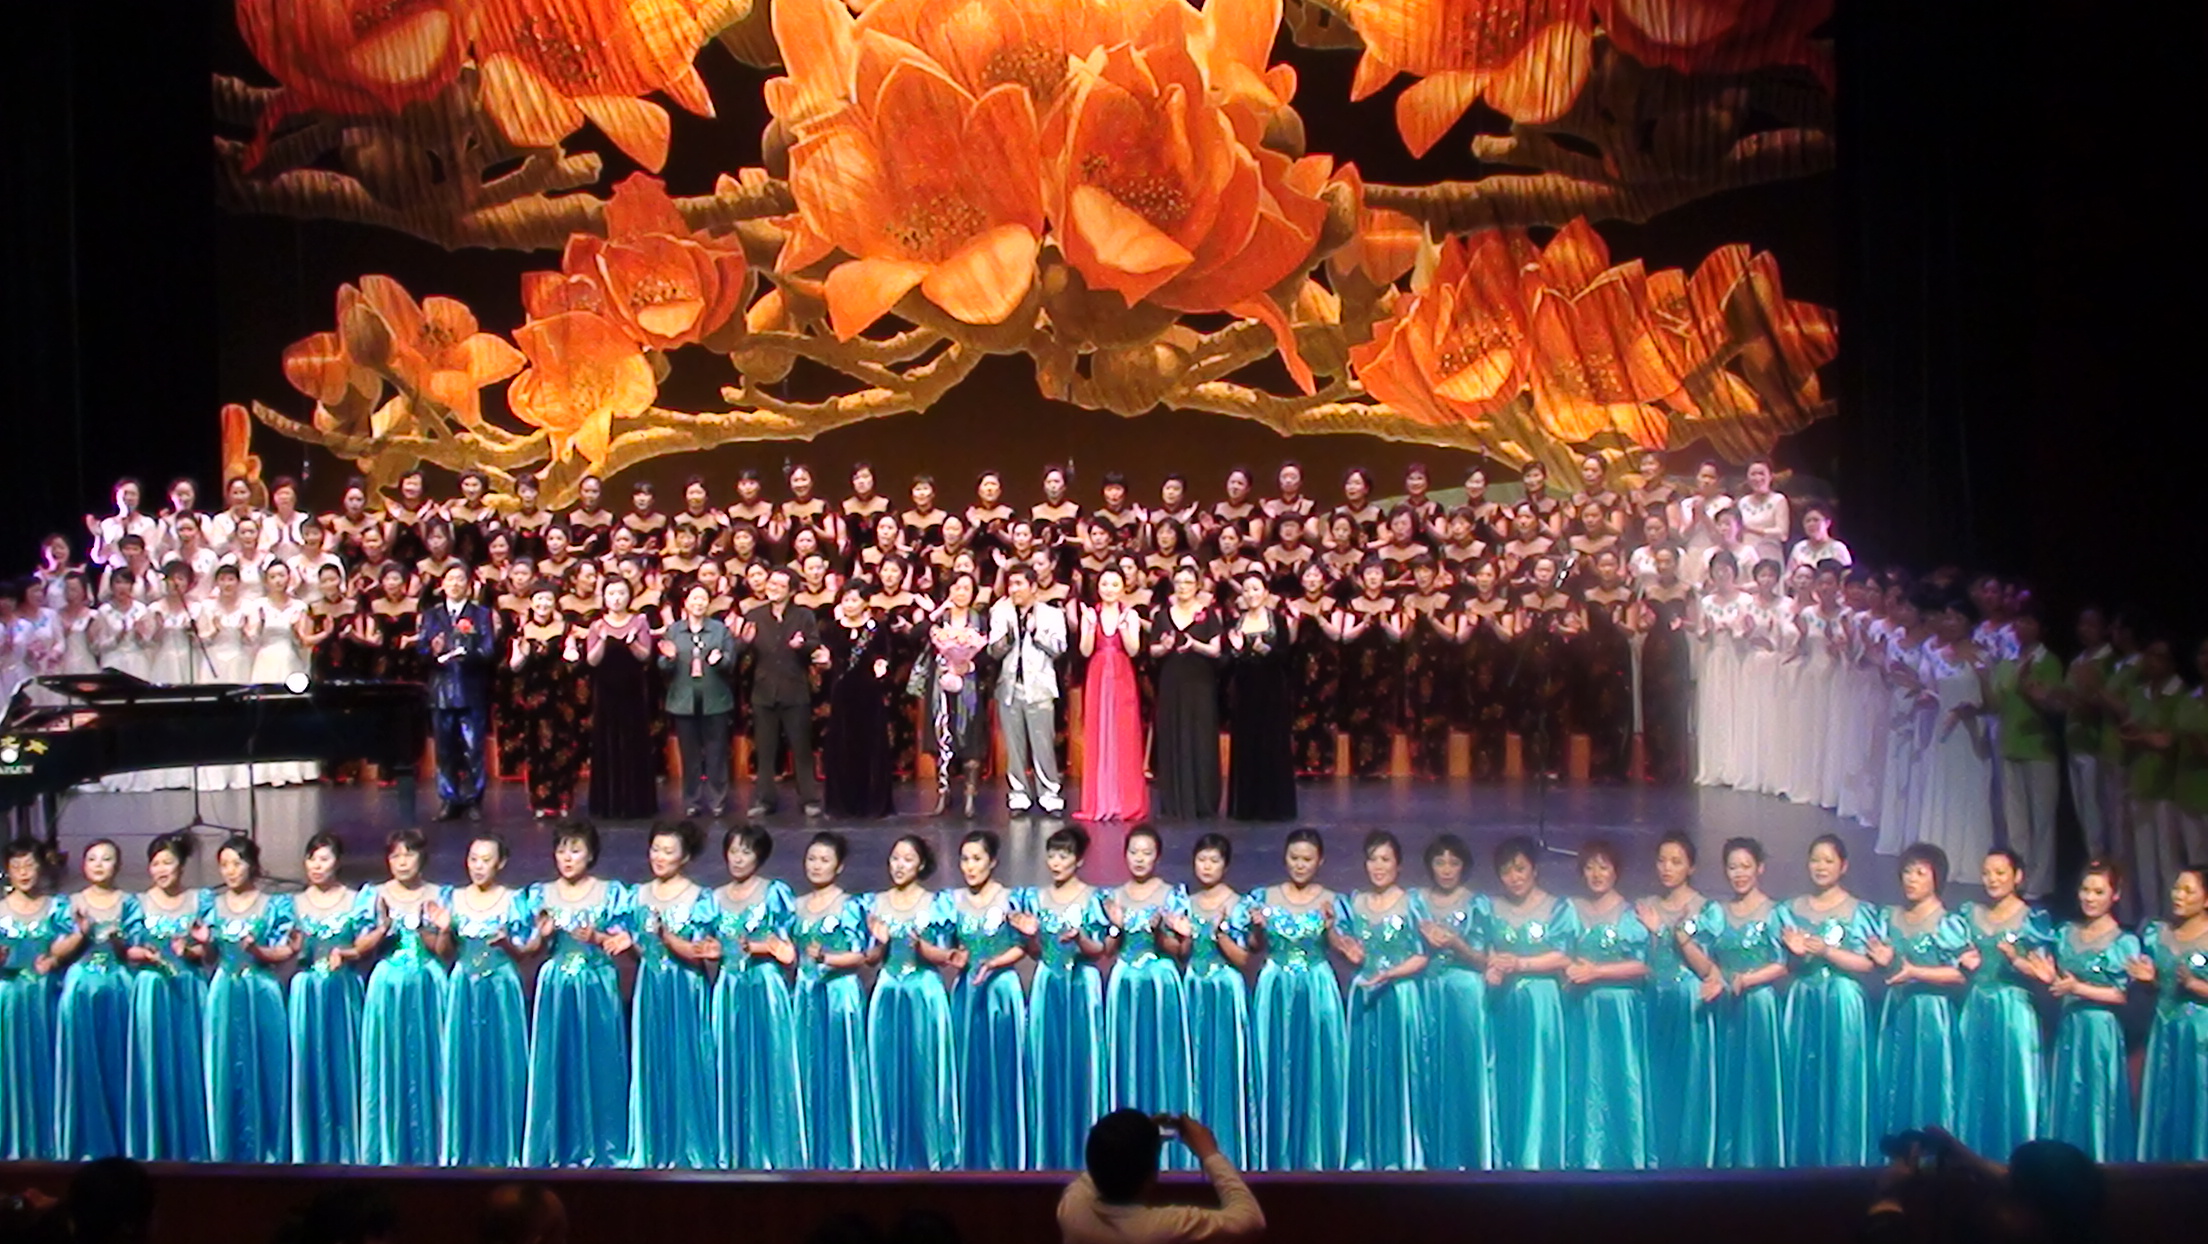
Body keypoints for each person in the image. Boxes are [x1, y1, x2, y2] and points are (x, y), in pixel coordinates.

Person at [523, 822, 634, 1168]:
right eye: (561, 850)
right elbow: (529, 950)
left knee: (601, 1061)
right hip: (556, 987)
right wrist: (541, 937)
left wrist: (599, 938)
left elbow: (623, 941)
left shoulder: (611, 893)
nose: (567, 858)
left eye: (575, 850)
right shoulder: (540, 894)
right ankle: (556, 1142)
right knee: (557, 1061)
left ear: (591, 855)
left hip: (596, 985)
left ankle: (606, 1144)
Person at [2019, 860, 2137, 1162]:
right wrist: (2048, 978)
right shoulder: (2065, 933)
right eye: (2085, 890)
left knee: (2098, 1100)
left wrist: (2078, 988)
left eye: (2098, 892)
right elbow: (2057, 982)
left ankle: (2100, 1166)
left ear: (2115, 895)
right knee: (2068, 1096)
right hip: (2069, 1026)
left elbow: (2121, 994)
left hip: (2101, 1031)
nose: (2089, 898)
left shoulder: (2124, 942)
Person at [706, 825, 808, 1169]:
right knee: (730, 1063)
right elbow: (711, 946)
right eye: (733, 850)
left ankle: (774, 1150)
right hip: (729, 988)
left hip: (765, 988)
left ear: (760, 857)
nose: (738, 859)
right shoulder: (713, 899)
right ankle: (733, 1151)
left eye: (746, 852)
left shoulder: (774, 893)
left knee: (770, 1063)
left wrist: (762, 947)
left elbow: (788, 952)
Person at [1012, 825, 1110, 1171]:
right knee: (1046, 1061)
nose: (1056, 862)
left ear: (1079, 860)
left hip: (1081, 987)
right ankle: (1047, 1153)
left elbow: (1099, 951)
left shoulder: (1093, 898)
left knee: (1083, 1064)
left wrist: (1081, 939)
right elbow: (1035, 952)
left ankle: (1086, 1151)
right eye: (1052, 854)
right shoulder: (1034, 899)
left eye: (1064, 855)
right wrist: (1031, 936)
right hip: (1046, 984)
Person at [1249, 829, 1345, 1171]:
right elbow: (1255, 948)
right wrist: (1257, 928)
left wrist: (1332, 928)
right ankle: (1273, 1152)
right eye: (1294, 858)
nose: (1300, 865)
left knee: (1316, 1066)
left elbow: (1345, 951)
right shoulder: (1264, 896)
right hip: (1275, 987)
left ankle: (1316, 1153)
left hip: (1317, 987)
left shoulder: (1332, 900)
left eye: (1307, 859)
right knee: (1274, 1064)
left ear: (1320, 861)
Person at [1333, 831, 1429, 1171]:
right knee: (1364, 1071)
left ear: (1398, 865)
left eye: (1385, 859)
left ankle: (1399, 1153)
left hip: (1399, 996)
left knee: (1399, 1072)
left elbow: (1422, 956)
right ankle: (1363, 1154)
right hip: (1364, 996)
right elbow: (1346, 946)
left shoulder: (1412, 903)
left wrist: (1390, 974)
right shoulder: (1354, 902)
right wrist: (1341, 944)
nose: (1378, 866)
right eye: (1372, 859)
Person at [441, 835, 538, 1168]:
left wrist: (508, 944)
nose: (478, 866)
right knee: (463, 1061)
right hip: (463, 988)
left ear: (501, 863)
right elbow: (445, 954)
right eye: (473, 859)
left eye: (486, 860)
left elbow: (524, 954)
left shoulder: (514, 900)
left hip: (500, 987)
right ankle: (463, 1145)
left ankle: (505, 1145)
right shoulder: (452, 898)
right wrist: (444, 931)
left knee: (503, 1061)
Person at [1781, 834, 1877, 1167]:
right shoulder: (1790, 910)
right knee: (1801, 1079)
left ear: (1843, 866)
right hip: (1803, 1000)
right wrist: (1795, 955)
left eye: (1828, 860)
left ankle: (1844, 1159)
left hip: (1842, 1002)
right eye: (1815, 860)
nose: (1820, 867)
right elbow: (1786, 965)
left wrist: (1827, 952)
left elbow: (1868, 964)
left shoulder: (1860, 911)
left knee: (1842, 1078)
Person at [1953, 848, 2054, 1161]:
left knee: (2014, 1083)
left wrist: (2016, 960)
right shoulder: (1970, 914)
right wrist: (1963, 961)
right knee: (1974, 1084)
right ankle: (1971, 1161)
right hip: (1976, 1007)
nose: (1992, 879)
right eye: (1986, 873)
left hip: (2014, 1010)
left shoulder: (2032, 919)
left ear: (2017, 876)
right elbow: (1957, 956)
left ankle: (2019, 1160)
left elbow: (2045, 973)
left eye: (2000, 873)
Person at [865, 835, 958, 1171]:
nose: (899, 865)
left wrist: (922, 947)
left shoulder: (936, 904)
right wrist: (879, 943)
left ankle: (931, 1153)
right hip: (888, 993)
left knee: (925, 1070)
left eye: (907, 859)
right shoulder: (875, 903)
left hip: (923, 994)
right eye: (895, 858)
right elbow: (871, 959)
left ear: (921, 865)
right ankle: (888, 1153)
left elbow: (945, 956)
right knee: (887, 1071)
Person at [1698, 837, 1791, 1169]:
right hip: (1725, 1004)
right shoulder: (1716, 912)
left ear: (1759, 869)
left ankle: (1759, 1158)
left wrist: (1749, 980)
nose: (1739, 874)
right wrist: (1714, 978)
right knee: (1727, 1078)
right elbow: (1706, 957)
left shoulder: (1775, 912)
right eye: (1732, 867)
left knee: (1758, 1079)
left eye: (1745, 866)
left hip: (1759, 1005)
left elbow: (1783, 963)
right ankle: (1726, 1157)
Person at [360, 830, 450, 1167]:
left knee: (430, 1060)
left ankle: (433, 1143)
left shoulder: (439, 895)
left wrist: (438, 929)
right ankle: (388, 1144)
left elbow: (444, 952)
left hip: (427, 984)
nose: (401, 862)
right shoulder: (374, 895)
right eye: (395, 855)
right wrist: (382, 928)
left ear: (422, 858)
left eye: (408, 854)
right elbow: (360, 948)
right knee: (389, 1059)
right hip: (388, 987)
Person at [1485, 836, 1575, 1171]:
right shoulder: (1490, 907)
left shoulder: (1557, 907)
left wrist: (1521, 964)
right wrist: (1492, 967)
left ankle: (1537, 1154)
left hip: (1540, 1002)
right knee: (1505, 1071)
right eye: (1507, 871)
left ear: (1534, 870)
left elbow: (1563, 954)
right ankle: (1506, 1152)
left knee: (1538, 1072)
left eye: (1520, 869)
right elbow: (1488, 948)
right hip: (1504, 1001)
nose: (1515, 878)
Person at [630, 821, 717, 1169]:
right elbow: (639, 948)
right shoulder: (636, 895)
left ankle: (691, 1145)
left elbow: (698, 953)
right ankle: (655, 1145)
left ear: (685, 857)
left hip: (685, 987)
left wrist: (666, 936)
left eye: (668, 851)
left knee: (686, 1061)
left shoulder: (700, 898)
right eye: (655, 849)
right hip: (650, 986)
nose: (659, 857)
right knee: (653, 1062)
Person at [790, 832, 879, 1170]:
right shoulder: (796, 905)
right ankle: (811, 1151)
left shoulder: (850, 906)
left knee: (841, 1069)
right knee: (809, 1068)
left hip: (840, 996)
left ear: (839, 866)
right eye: (812, 859)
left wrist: (826, 957)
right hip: (806, 995)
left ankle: (847, 1151)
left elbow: (861, 956)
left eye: (825, 860)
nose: (816, 865)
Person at [203, 835, 295, 1163]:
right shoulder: (211, 904)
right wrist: (203, 943)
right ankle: (226, 1149)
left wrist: (257, 950)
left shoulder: (275, 905)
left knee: (268, 1066)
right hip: (224, 992)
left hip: (261, 990)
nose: (230, 871)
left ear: (252, 865)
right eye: (224, 865)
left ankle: (270, 1150)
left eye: (236, 863)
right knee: (225, 1066)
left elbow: (285, 951)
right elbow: (209, 956)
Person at [1867, 844, 1967, 1140]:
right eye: (1907, 872)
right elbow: (1887, 967)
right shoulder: (1889, 917)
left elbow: (1958, 974)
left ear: (1937, 878)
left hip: (1932, 1013)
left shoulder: (1948, 923)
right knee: (1894, 1079)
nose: (1911, 879)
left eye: (1920, 873)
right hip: (1897, 1009)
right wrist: (1885, 964)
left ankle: (1933, 1151)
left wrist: (1915, 973)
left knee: (1930, 1081)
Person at [1562, 840, 1651, 1171]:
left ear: (1616, 871)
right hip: (1582, 1007)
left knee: (1620, 1076)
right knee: (1584, 1077)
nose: (1596, 874)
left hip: (1619, 1010)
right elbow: (1561, 954)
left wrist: (1596, 972)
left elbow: (1641, 966)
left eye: (1603, 867)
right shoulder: (1570, 910)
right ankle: (1585, 1155)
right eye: (1589, 867)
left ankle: (1625, 1154)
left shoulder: (1630, 914)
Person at [287, 833, 375, 1165]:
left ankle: (349, 1146)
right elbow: (290, 952)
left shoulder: (357, 900)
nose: (317, 866)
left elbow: (366, 944)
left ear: (337, 862)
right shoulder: (293, 904)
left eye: (324, 859)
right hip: (307, 994)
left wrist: (349, 952)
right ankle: (309, 1147)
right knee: (309, 1065)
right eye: (312, 859)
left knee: (345, 1063)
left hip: (342, 990)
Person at [121, 832, 209, 1161]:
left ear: (181, 866)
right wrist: (143, 954)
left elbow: (207, 951)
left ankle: (193, 1143)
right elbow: (128, 949)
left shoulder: (200, 900)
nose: (161, 869)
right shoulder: (138, 903)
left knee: (190, 1062)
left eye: (168, 863)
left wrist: (190, 949)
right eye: (156, 863)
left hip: (188, 988)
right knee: (153, 1062)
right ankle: (154, 1141)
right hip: (151, 990)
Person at [944, 830, 1028, 1170]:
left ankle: (1004, 1151)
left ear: (992, 862)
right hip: (968, 991)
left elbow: (1021, 947)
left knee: (1002, 1068)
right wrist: (954, 958)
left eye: (977, 859)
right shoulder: (951, 901)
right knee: (969, 1068)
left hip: (1001, 992)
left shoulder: (1010, 899)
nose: (970, 866)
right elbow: (951, 948)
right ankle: (971, 1152)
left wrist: (993, 963)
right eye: (965, 859)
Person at [1637, 832, 1720, 1170]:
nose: (1667, 868)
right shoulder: (1646, 906)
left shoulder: (1706, 909)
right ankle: (1656, 1153)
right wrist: (1654, 933)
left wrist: (1678, 936)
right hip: (1653, 1000)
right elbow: (1642, 961)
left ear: (1691, 867)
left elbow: (1707, 969)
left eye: (1676, 861)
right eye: (1662, 861)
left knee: (1687, 1079)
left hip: (1687, 1002)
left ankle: (1688, 1158)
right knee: (1654, 1078)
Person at [1104, 827, 1193, 1139]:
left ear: (1158, 857)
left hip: (1160, 983)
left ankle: (1165, 1124)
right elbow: (1107, 951)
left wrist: (1160, 934)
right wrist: (1116, 927)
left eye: (1147, 853)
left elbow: (1180, 952)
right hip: (1125, 983)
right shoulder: (1114, 897)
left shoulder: (1172, 896)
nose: (1139, 859)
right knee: (1127, 1053)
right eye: (1134, 852)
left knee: (1162, 1054)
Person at [1057, 1111, 1264, 1244]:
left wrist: (1137, 1138)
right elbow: (1250, 1220)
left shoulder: (1072, 1210)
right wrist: (1209, 1153)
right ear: (1151, 1178)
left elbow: (1102, 1163)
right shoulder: (1164, 1228)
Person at [1414, 835, 1490, 1171]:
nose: (1446, 870)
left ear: (1464, 867)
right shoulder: (1416, 902)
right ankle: (1426, 1153)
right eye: (1440, 862)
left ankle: (1467, 1153)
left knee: (1463, 1069)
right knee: (1425, 1068)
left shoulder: (1477, 904)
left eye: (1453, 863)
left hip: (1464, 994)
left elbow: (1483, 960)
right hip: (1425, 992)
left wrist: (1456, 944)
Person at [1180, 835, 1255, 1170]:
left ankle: (1227, 1148)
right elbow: (1182, 954)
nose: (1207, 867)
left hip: (1225, 991)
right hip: (1193, 989)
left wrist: (1220, 932)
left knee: (1225, 1066)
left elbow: (1243, 959)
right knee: (1193, 1067)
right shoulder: (1186, 902)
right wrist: (1177, 936)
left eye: (1214, 861)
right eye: (1202, 860)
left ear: (1225, 865)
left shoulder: (1238, 905)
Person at [53, 840, 131, 1160]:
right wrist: (80, 933)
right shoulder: (70, 903)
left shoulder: (129, 903)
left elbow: (132, 951)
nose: (99, 864)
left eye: (106, 858)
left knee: (119, 1061)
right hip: (80, 988)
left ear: (118, 865)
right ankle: (85, 1140)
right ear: (84, 865)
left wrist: (119, 942)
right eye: (92, 859)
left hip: (118, 987)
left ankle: (122, 1139)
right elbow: (57, 952)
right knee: (83, 1061)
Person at [2131, 863, 2208, 1160]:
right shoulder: (2157, 934)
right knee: (2163, 1101)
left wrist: (2195, 985)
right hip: (2163, 1031)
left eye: (2189, 891)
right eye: (2177, 888)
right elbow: (2158, 986)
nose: (2179, 895)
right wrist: (2149, 981)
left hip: (2199, 1036)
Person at [0, 839, 67, 1159]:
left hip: (45, 999)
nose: (24, 872)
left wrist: (56, 957)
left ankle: (50, 1142)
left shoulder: (57, 908)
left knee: (48, 1066)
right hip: (8, 1000)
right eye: (16, 866)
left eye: (29, 865)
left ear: (42, 867)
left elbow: (70, 946)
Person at [741, 568, 827, 818]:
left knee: (801, 748)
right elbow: (740, 651)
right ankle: (764, 799)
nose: (773, 588)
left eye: (780, 585)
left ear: (791, 590)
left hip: (794, 688)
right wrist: (743, 641)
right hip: (764, 690)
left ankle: (809, 799)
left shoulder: (803, 615)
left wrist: (803, 645)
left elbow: (815, 643)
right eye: (771, 583)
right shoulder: (755, 615)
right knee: (765, 750)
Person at [1990, 610, 2063, 898]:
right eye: (2018, 621)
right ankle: (2017, 878)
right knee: (2015, 820)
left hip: (2039, 747)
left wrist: (2033, 691)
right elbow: (1997, 701)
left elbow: (2054, 702)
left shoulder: (2049, 662)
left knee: (2041, 819)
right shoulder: (2007, 662)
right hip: (2010, 745)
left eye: (2029, 621)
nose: (2022, 627)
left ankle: (2040, 883)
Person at [418, 563, 498, 821]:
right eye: (450, 579)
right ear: (442, 584)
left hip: (470, 690)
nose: (454, 584)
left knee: (473, 749)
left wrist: (468, 655)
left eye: (460, 579)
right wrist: (431, 650)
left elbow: (488, 650)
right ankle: (449, 799)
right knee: (445, 751)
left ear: (469, 585)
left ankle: (473, 799)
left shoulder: (481, 614)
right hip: (441, 691)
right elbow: (420, 651)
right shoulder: (432, 615)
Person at [988, 565, 1068, 815]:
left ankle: (1050, 793)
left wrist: (1037, 632)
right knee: (1014, 747)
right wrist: (1008, 638)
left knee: (1043, 744)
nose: (1014, 589)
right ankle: (1019, 794)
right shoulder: (1000, 612)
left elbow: (1059, 648)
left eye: (1019, 584)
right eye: (1011, 584)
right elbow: (993, 651)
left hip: (1040, 688)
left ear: (1033, 587)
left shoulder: (1052, 614)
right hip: (1010, 687)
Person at [1148, 566, 1222, 819]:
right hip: (1172, 682)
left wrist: (1195, 645)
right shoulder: (1162, 616)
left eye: (1188, 582)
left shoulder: (1208, 615)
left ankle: (1202, 801)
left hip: (1200, 683)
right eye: (1179, 582)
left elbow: (1216, 650)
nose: (1183, 587)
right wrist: (1165, 646)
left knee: (1200, 736)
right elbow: (1153, 650)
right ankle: (1174, 801)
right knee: (1173, 735)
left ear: (1197, 585)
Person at [660, 584, 738, 819]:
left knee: (716, 754)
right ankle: (692, 801)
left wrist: (720, 659)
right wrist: (669, 658)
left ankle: (717, 801)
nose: (699, 603)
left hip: (715, 700)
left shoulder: (719, 630)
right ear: (685, 602)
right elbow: (662, 666)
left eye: (703, 598)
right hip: (684, 700)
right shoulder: (674, 631)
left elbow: (731, 663)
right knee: (690, 756)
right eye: (694, 598)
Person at [583, 578, 658, 820]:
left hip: (633, 692)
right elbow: (592, 660)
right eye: (612, 593)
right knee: (607, 744)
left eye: (621, 593)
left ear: (629, 596)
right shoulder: (597, 625)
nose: (616, 598)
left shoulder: (640, 621)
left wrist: (632, 642)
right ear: (604, 597)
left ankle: (636, 804)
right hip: (606, 693)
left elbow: (645, 656)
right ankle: (608, 804)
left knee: (634, 744)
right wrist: (603, 640)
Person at [821, 582, 897, 819]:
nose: (849, 605)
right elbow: (828, 662)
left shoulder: (877, 629)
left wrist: (882, 666)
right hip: (841, 696)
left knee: (871, 749)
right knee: (841, 748)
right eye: (845, 600)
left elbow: (887, 656)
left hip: (869, 696)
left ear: (865, 603)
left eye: (854, 600)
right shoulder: (831, 629)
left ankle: (872, 804)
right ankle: (842, 805)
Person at [1224, 572, 1297, 821]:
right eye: (1246, 590)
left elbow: (1286, 657)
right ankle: (1248, 807)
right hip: (1245, 694)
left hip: (1273, 693)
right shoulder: (1236, 623)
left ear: (1266, 592)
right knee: (1247, 746)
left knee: (1273, 745)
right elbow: (1227, 664)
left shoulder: (1277, 620)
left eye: (1256, 589)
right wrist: (1237, 651)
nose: (1251, 594)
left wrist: (1265, 649)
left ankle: (1275, 807)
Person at [1076, 568, 1147, 822]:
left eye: (1114, 584)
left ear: (1123, 588)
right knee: (1098, 732)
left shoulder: (1130, 614)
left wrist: (1124, 629)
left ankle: (1125, 801)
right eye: (1104, 584)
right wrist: (1088, 627)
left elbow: (1134, 650)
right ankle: (1100, 800)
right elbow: (1085, 651)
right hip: (1097, 673)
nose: (1109, 589)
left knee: (1124, 733)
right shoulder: (1090, 614)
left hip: (1121, 673)